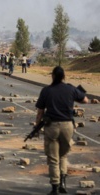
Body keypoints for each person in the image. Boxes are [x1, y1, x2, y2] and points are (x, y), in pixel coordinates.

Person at [35, 66, 89, 195]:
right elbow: (85, 100)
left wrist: (36, 127)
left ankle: (55, 187)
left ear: (52, 76)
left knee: (53, 158)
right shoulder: (70, 89)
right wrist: (76, 92)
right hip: (68, 126)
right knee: (63, 155)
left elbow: (40, 112)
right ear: (64, 76)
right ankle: (63, 182)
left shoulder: (46, 90)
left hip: (51, 126)